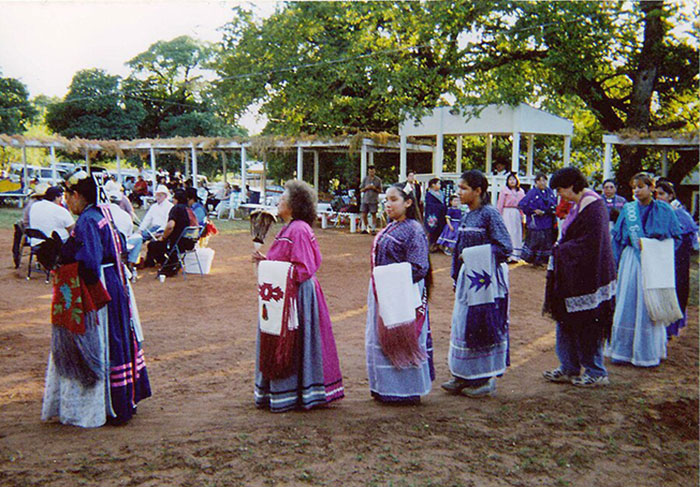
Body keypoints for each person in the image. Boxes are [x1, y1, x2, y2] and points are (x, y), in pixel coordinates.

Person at [42, 170, 151, 427]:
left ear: (77, 195)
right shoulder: (104, 215)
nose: (66, 202)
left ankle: (108, 406)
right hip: (115, 282)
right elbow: (121, 246)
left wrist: (65, 260)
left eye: (68, 196)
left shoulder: (87, 221)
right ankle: (123, 402)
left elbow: (89, 262)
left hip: (99, 287)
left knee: (102, 341)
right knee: (117, 337)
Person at [252, 180, 344, 412]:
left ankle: (298, 391)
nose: (278, 201)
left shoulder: (299, 229)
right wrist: (268, 263)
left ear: (293, 204)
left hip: (298, 297)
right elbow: (289, 262)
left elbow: (304, 268)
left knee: (297, 341)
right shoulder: (289, 228)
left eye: (283, 198)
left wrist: (276, 268)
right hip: (287, 295)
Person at [542, 167, 616, 387]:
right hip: (571, 275)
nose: (560, 194)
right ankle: (568, 367)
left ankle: (596, 371)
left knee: (588, 323)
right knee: (565, 320)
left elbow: (592, 243)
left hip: (590, 277)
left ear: (572, 185)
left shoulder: (594, 206)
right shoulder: (577, 205)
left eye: (561, 189)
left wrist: (561, 250)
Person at [442, 170, 512, 397]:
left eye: (463, 188)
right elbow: (458, 251)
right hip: (467, 280)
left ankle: (483, 379)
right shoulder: (467, 215)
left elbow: (505, 248)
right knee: (462, 324)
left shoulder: (489, 214)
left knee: (480, 324)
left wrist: (473, 255)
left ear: (478, 191)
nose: (458, 192)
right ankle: (462, 376)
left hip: (484, 283)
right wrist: (456, 275)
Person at [366, 183, 434, 404]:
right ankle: (386, 387)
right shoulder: (391, 226)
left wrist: (390, 281)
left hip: (402, 294)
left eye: (393, 199)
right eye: (386, 200)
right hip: (386, 291)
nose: (388, 204)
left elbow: (419, 267)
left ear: (408, 202)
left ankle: (405, 390)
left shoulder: (413, 229)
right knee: (383, 337)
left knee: (402, 338)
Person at [606, 173, 681, 367]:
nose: (637, 191)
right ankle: (623, 351)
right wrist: (615, 263)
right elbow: (618, 239)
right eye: (634, 188)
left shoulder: (663, 210)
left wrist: (653, 248)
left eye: (641, 187)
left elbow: (674, 239)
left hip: (653, 262)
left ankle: (647, 352)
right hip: (632, 259)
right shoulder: (628, 210)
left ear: (651, 188)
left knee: (648, 303)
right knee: (628, 301)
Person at [654, 181, 698, 338]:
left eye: (661, 194)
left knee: (675, 289)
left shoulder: (679, 213)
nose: (657, 197)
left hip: (677, 259)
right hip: (663, 257)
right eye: (656, 194)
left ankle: (671, 328)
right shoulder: (658, 211)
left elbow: (686, 239)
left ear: (670, 195)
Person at [143, 189, 197, 277]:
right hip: (188, 241)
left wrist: (163, 237)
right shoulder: (188, 210)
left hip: (177, 243)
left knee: (152, 245)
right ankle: (172, 263)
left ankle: (168, 265)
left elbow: (170, 226)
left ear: (177, 199)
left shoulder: (176, 209)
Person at [127, 184, 173, 269]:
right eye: (157, 195)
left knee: (151, 241)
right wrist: (140, 230)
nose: (158, 197)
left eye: (160, 195)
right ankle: (133, 261)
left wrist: (158, 231)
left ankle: (146, 261)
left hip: (162, 229)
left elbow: (167, 222)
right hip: (153, 229)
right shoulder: (154, 206)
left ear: (165, 196)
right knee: (138, 238)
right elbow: (147, 219)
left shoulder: (169, 206)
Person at [519, 172, 557, 266]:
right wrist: (534, 210)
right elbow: (523, 205)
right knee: (536, 240)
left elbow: (554, 205)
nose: (542, 182)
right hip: (536, 222)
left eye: (544, 180)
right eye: (540, 180)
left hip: (547, 221)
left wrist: (548, 211)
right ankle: (533, 260)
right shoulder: (532, 192)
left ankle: (543, 260)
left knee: (546, 241)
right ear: (536, 182)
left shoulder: (550, 192)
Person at [12, 182, 49, 268]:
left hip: (30, 231)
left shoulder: (31, 203)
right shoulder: (43, 205)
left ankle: (16, 255)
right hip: (36, 231)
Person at [497, 172, 526, 262]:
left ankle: (516, 255)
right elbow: (500, 203)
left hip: (516, 212)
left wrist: (522, 215)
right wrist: (499, 215)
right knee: (508, 232)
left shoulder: (521, 191)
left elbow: (523, 204)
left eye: (514, 179)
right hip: (507, 212)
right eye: (510, 179)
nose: (512, 181)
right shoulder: (504, 190)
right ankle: (507, 255)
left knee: (516, 232)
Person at [424, 178, 446, 252]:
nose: (440, 185)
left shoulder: (441, 193)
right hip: (433, 215)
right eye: (438, 183)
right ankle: (432, 246)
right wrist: (439, 207)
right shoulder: (429, 194)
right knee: (433, 231)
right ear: (433, 185)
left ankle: (439, 245)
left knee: (441, 229)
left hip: (442, 214)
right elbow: (430, 205)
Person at [360, 165, 382, 234]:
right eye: (370, 172)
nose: (371, 173)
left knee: (373, 214)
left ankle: (373, 228)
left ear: (375, 171)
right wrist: (366, 188)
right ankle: (366, 227)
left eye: (372, 172)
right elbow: (361, 189)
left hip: (373, 199)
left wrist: (374, 188)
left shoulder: (378, 180)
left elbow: (380, 190)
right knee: (363, 214)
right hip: (365, 199)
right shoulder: (365, 179)